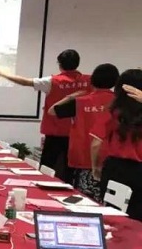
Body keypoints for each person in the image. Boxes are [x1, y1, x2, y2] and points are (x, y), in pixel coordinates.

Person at [0, 49, 91, 181]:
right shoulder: (89, 81)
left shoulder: (53, 81)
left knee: (47, 168)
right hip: (78, 135)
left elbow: (25, 82)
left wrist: (2, 74)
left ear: (60, 64)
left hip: (55, 133)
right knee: (70, 171)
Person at [49, 63, 119, 199]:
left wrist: (70, 97)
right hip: (109, 159)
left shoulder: (81, 102)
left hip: (82, 158)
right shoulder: (119, 103)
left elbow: (52, 111)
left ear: (93, 80)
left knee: (79, 199)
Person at [91, 69, 142, 221]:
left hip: (114, 169)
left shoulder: (113, 111)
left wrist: (95, 167)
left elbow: (96, 143)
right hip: (138, 172)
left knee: (111, 217)